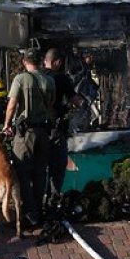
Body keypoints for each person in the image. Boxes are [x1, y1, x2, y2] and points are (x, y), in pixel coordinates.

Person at [3, 48, 55, 229]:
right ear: (40, 61)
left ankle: (28, 213)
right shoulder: (49, 80)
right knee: (40, 173)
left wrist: (7, 124)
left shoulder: (20, 79)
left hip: (26, 134)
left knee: (22, 173)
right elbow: (51, 107)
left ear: (25, 61)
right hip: (44, 133)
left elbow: (12, 105)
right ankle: (39, 210)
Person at [42, 48, 82, 198]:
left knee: (40, 167)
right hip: (55, 129)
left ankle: (39, 201)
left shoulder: (35, 77)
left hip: (37, 130)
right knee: (57, 166)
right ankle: (53, 199)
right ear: (57, 62)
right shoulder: (61, 78)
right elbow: (76, 101)